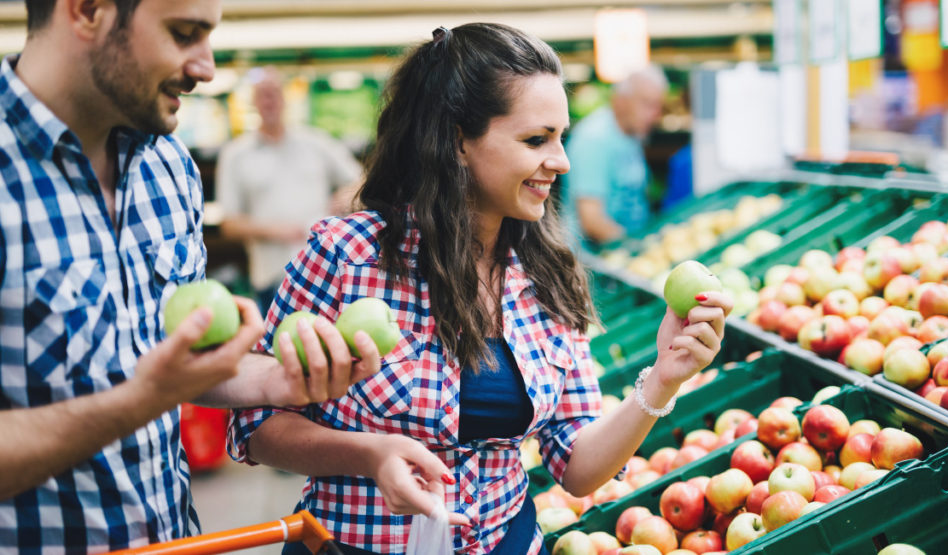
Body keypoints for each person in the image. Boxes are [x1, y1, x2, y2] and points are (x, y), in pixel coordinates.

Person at [229, 23, 730, 554]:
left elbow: (577, 469)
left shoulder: (549, 274)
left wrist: (663, 381)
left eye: (561, 136)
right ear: (458, 143)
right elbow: (257, 424)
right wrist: (370, 455)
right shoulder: (346, 254)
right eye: (537, 139)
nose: (560, 161)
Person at [0, 1, 380, 551]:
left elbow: (181, 364)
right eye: (185, 34)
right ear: (86, 11)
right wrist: (140, 400)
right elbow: (152, 390)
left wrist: (274, 382)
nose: (205, 67)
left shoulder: (168, 166)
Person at [216, 67, 364, 314]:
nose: (269, 100)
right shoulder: (235, 155)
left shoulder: (316, 142)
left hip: (324, 273)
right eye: (263, 95)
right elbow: (228, 223)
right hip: (271, 277)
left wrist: (344, 198)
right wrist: (277, 230)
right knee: (275, 350)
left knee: (329, 348)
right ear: (254, 102)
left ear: (285, 98)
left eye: (274, 93)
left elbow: (363, 180)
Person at [562, 65, 668, 247]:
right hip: (592, 265)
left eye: (658, 106)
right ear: (620, 102)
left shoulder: (632, 134)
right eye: (648, 104)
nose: (656, 115)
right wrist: (641, 249)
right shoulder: (593, 139)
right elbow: (592, 221)